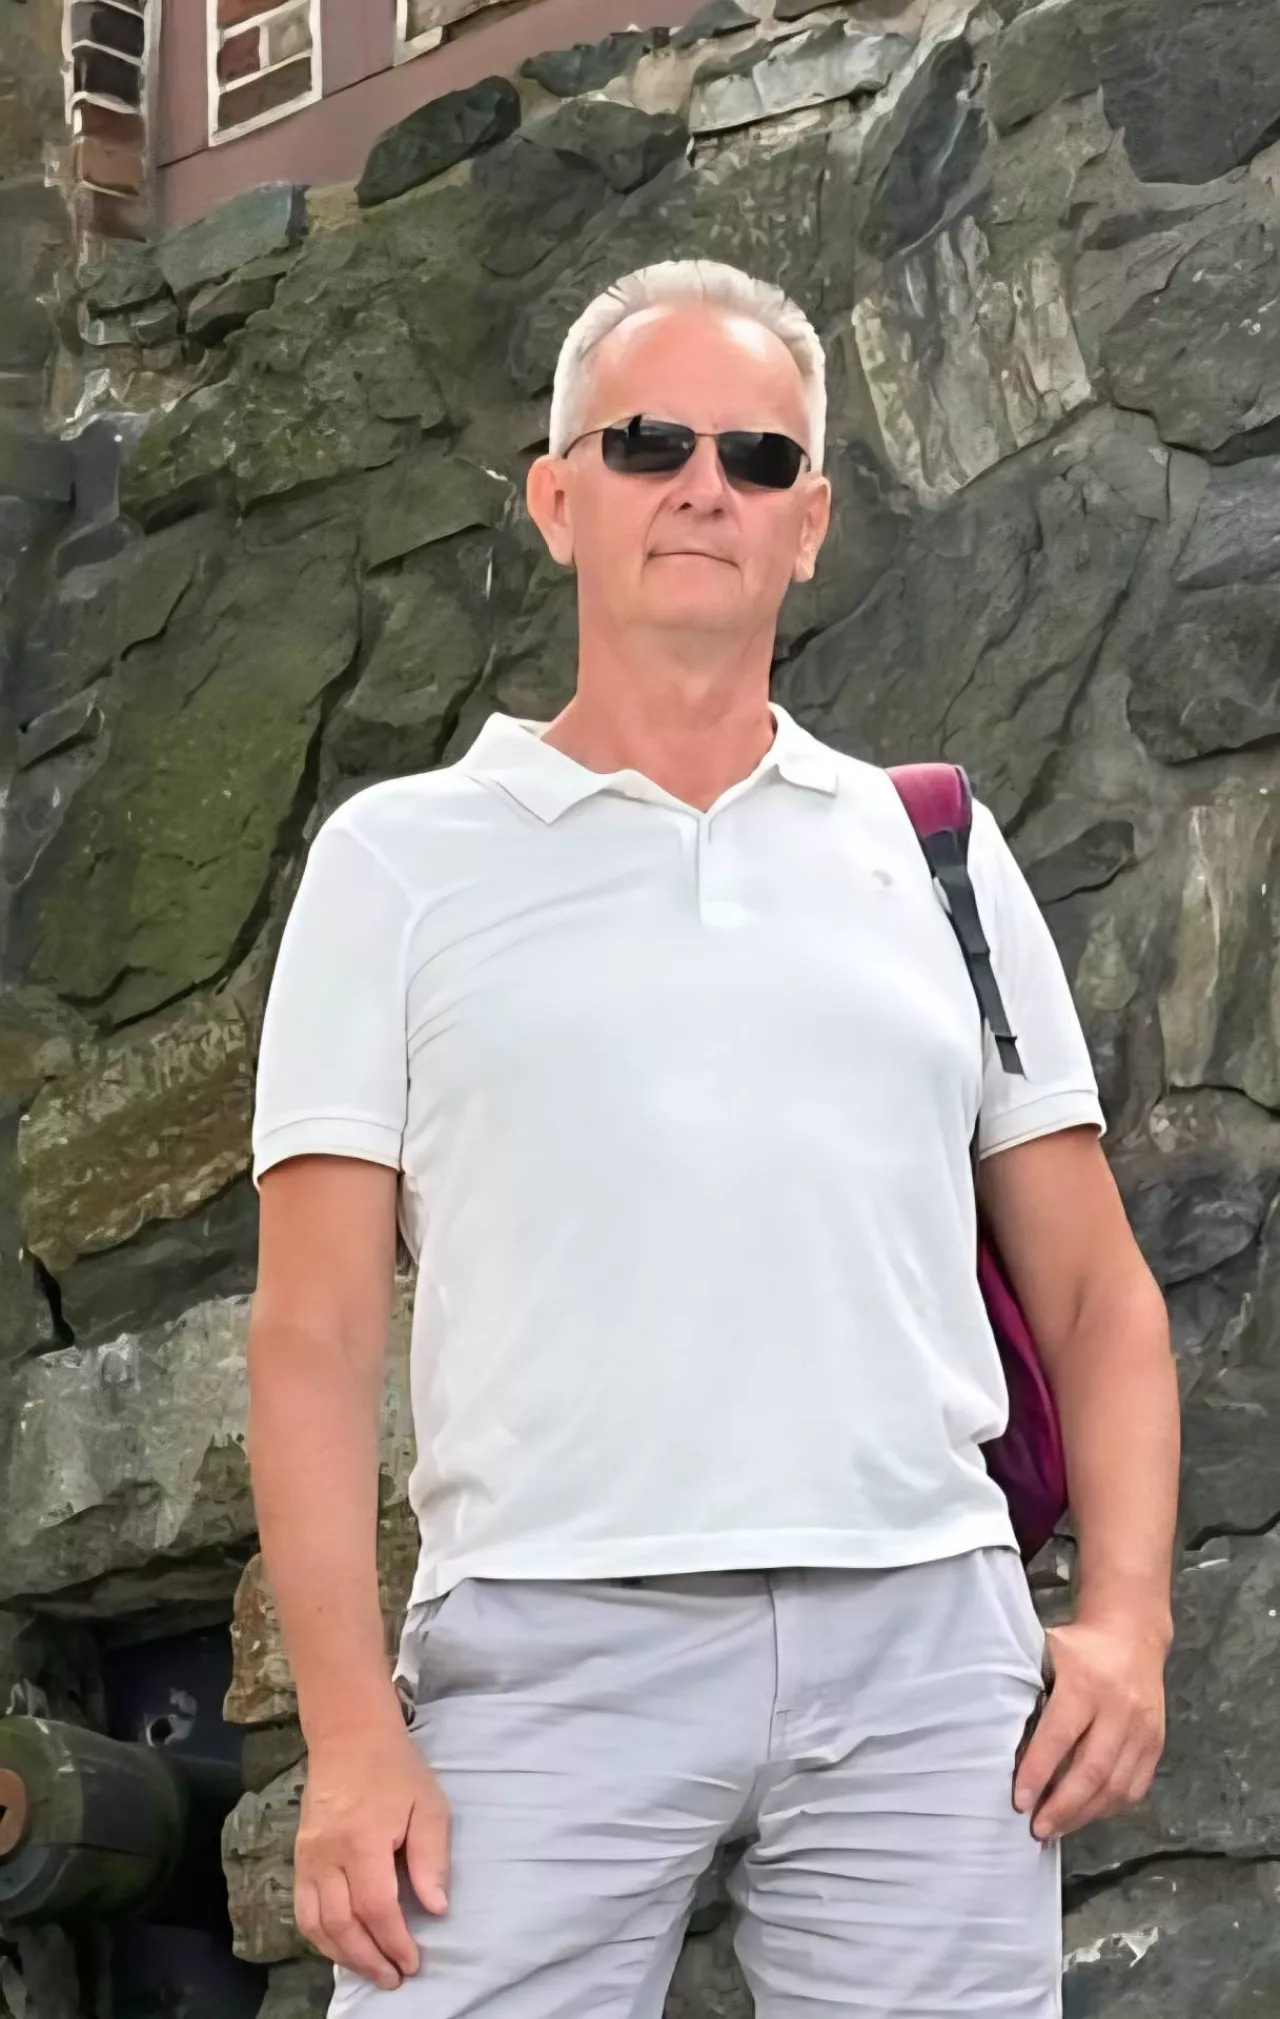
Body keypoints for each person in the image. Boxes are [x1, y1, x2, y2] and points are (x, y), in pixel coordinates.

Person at [246, 260, 1180, 2018]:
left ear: (808, 525)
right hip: (544, 1647)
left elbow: (1098, 1293)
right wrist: (351, 1733)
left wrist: (1127, 1621)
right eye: (650, 441)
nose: (704, 485)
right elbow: (313, 1331)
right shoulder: (396, 864)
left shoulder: (935, 852)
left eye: (758, 458)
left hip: (925, 1650)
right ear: (557, 497)